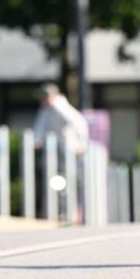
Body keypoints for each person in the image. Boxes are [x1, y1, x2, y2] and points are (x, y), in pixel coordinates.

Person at [33, 83, 89, 219]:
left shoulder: (60, 107)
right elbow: (40, 126)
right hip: (52, 151)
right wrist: (37, 139)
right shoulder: (46, 109)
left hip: (65, 152)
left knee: (65, 180)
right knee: (52, 180)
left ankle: (67, 211)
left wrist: (80, 143)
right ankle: (53, 210)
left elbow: (79, 123)